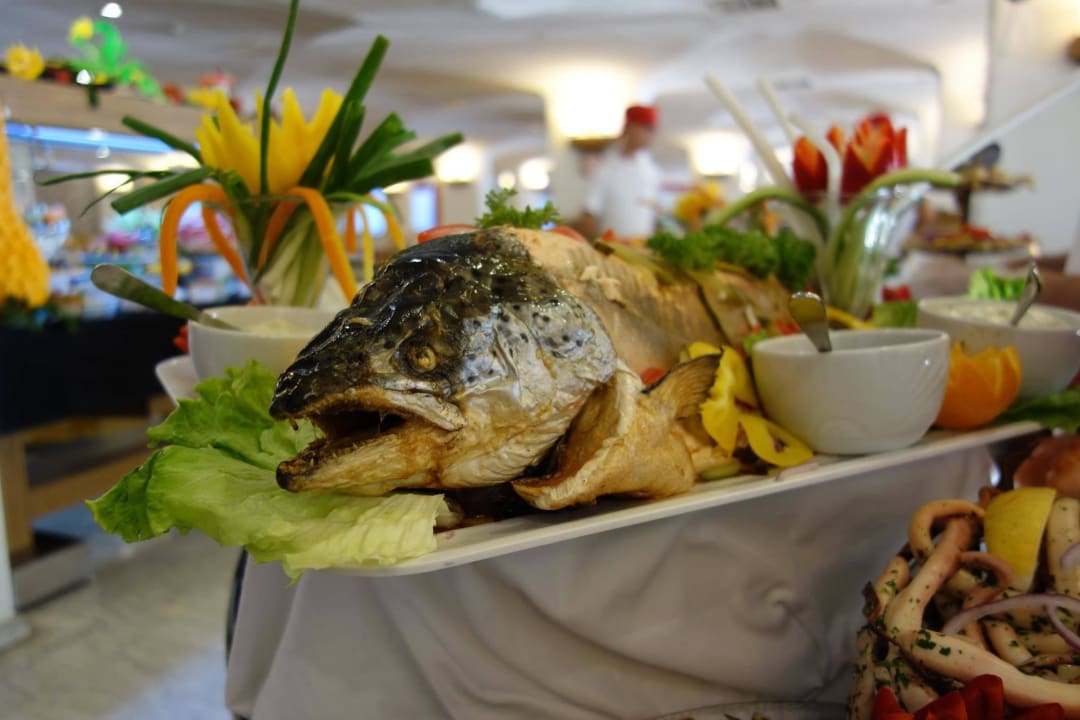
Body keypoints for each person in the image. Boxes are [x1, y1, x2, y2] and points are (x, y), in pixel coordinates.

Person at [577, 104, 661, 242]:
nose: (650, 135)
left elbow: (652, 214)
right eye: (645, 128)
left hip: (644, 246)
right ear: (630, 128)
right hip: (613, 246)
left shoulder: (652, 171)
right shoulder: (605, 169)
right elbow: (590, 213)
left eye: (652, 130)